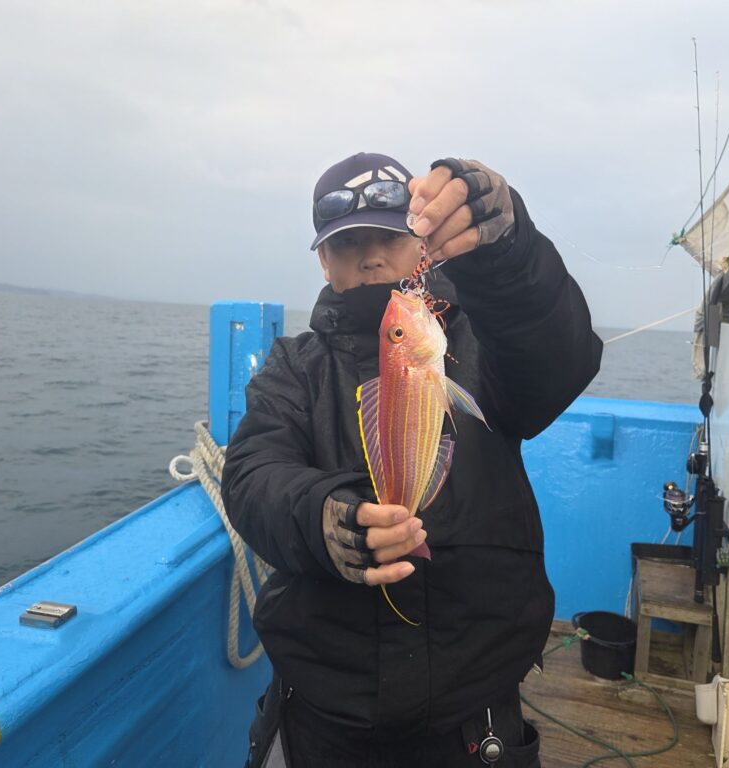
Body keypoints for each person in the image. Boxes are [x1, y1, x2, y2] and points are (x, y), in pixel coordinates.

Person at [223, 152, 603, 767]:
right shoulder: (294, 366)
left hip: (473, 715)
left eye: (389, 237)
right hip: (324, 712)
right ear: (323, 260)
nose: (371, 257)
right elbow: (251, 475)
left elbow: (560, 359)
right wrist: (327, 518)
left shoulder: (482, 342)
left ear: (423, 246)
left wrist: (506, 253)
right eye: (348, 243)